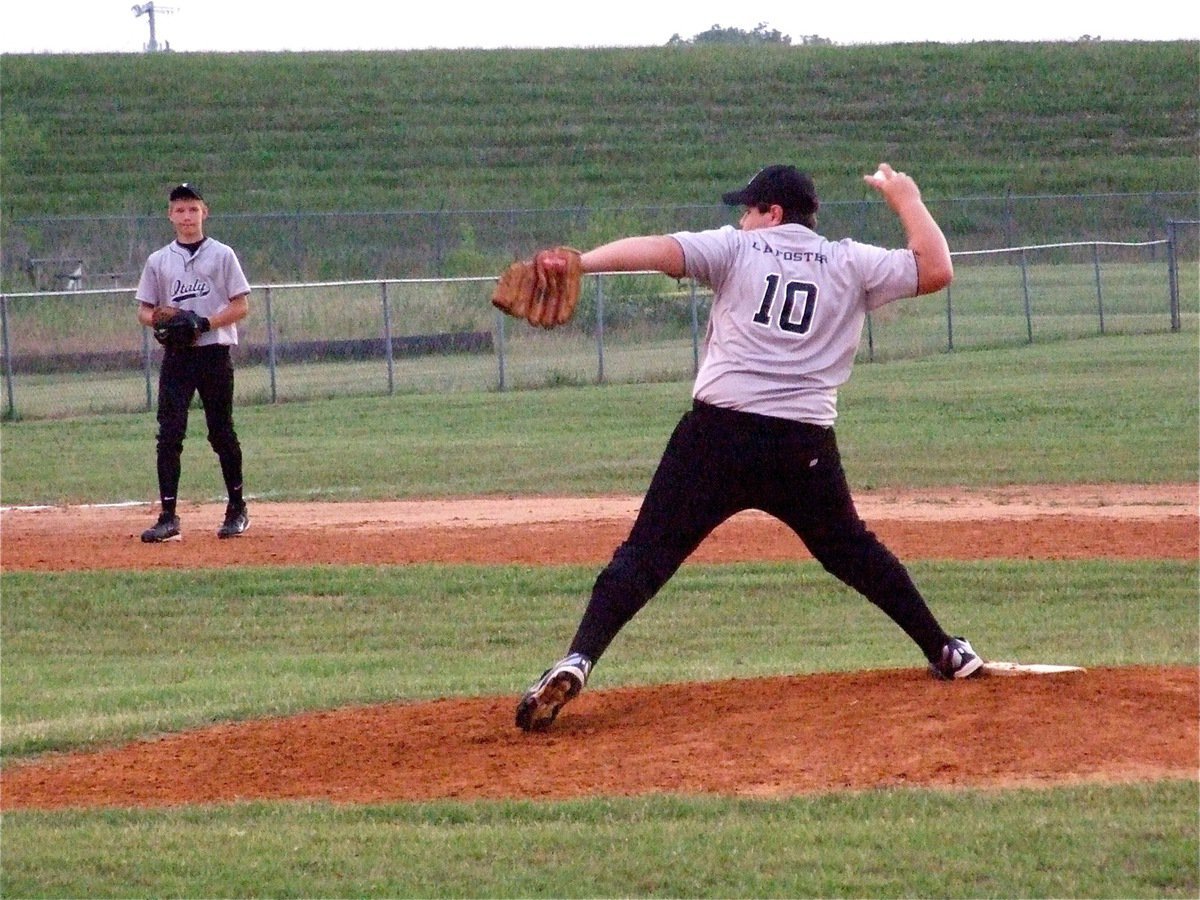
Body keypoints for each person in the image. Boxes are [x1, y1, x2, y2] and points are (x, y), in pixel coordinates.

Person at [515, 162, 984, 732]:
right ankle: (944, 651)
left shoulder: (739, 249)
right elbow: (936, 269)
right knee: (854, 552)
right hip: (801, 445)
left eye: (748, 209)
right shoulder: (851, 260)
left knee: (645, 555)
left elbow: (659, 250)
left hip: (718, 436)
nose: (741, 218)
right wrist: (907, 197)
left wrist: (582, 261)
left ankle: (579, 657)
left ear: (773, 213)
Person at [136, 182, 251, 542]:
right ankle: (168, 517)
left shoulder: (222, 255)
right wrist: (163, 321)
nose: (187, 216)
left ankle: (237, 508)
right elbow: (144, 310)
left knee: (221, 432)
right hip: (178, 357)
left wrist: (202, 322)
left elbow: (241, 305)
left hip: (214, 351)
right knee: (169, 434)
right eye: (180, 210)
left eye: (193, 209)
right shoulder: (159, 261)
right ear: (170, 216)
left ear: (205, 212)